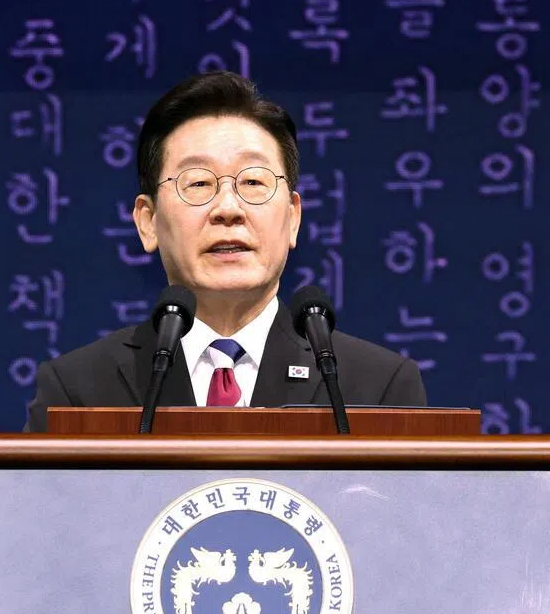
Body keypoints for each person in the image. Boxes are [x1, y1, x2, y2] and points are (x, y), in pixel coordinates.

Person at [24, 71, 426, 432]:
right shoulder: (77, 391)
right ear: (147, 221)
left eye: (253, 182)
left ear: (292, 218)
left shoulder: (378, 387)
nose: (228, 209)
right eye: (198, 183)